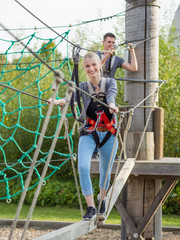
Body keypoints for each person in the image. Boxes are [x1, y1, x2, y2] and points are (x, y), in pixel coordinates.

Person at [49, 52, 119, 221]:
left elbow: (111, 96)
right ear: (84, 69)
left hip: (109, 133)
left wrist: (111, 105)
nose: (91, 68)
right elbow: (70, 99)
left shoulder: (110, 82)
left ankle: (101, 200)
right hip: (89, 133)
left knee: (105, 171)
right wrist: (58, 101)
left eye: (94, 65)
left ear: (100, 65)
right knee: (82, 167)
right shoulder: (82, 86)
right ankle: (91, 207)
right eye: (87, 66)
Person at [92, 32, 138, 159]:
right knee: (95, 122)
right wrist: (106, 56)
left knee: (112, 124)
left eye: (113, 42)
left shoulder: (116, 59)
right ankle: (94, 151)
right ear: (103, 42)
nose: (111, 44)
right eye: (109, 42)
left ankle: (111, 153)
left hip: (109, 94)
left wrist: (132, 51)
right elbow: (94, 69)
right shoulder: (96, 55)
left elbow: (133, 68)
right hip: (95, 92)